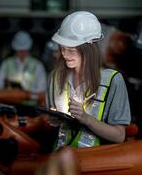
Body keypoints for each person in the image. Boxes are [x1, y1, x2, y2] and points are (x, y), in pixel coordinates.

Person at [46, 11, 131, 150]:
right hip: (59, 156)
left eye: (71, 50)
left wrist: (86, 119)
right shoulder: (55, 78)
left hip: (93, 161)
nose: (65, 55)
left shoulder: (113, 80)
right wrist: (53, 120)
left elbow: (119, 136)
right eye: (62, 49)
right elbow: (52, 127)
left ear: (89, 48)